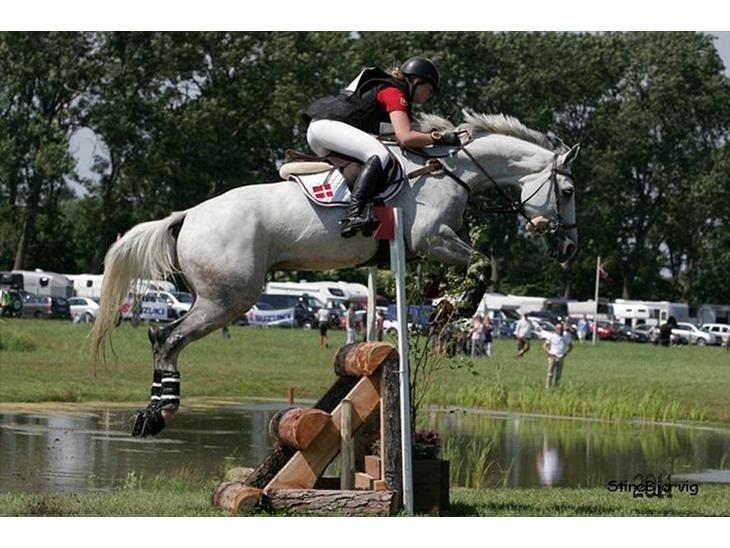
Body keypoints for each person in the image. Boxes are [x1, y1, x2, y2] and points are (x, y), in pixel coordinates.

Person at [304, 56, 461, 238]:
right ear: (417, 81)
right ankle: (353, 214)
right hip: (327, 127)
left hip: (323, 131)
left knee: (365, 163)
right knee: (379, 154)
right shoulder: (395, 92)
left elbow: (397, 138)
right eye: (430, 88)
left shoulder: (392, 91)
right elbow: (406, 137)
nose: (430, 95)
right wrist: (439, 138)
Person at [542, 323, 573, 389]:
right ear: (556, 329)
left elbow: (571, 346)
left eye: (561, 328)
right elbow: (544, 346)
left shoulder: (566, 336)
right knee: (550, 374)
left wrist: (566, 353)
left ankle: (556, 387)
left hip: (561, 357)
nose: (559, 330)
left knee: (558, 374)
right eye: (558, 328)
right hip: (552, 357)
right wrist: (549, 352)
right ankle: (548, 388)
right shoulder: (552, 336)